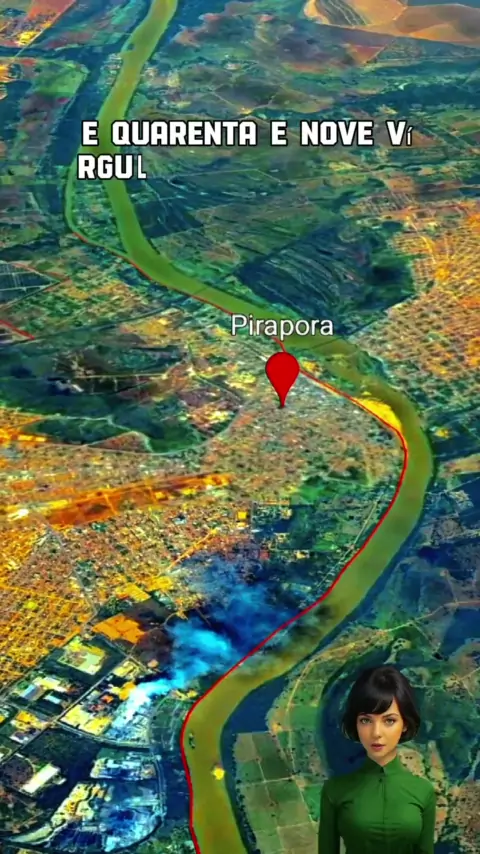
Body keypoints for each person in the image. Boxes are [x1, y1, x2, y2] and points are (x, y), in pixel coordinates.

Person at [318, 665, 436, 853]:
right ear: (356, 724)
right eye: (366, 720)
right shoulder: (334, 791)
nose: (376, 733)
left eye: (389, 720)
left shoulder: (424, 792)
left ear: (405, 724)